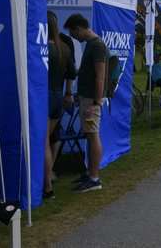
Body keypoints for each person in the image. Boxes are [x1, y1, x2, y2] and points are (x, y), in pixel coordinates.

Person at [64, 13, 109, 192]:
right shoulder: (91, 44)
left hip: (92, 99)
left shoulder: (97, 45)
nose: (73, 37)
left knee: (92, 135)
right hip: (87, 97)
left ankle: (94, 178)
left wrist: (96, 102)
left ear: (79, 28)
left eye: (73, 33)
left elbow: (100, 76)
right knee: (89, 136)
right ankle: (90, 172)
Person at [44, 12, 76, 199]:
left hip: (45, 97)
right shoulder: (64, 48)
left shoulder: (42, 49)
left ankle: (47, 186)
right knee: (48, 140)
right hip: (58, 97)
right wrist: (68, 93)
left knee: (43, 143)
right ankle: (47, 181)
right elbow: (72, 74)